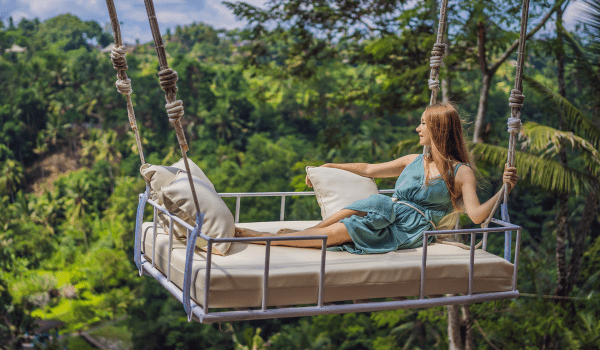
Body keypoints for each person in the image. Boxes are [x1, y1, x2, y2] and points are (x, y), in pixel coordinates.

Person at [235, 103, 518, 254]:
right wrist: (329, 165)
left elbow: (478, 216)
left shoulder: (461, 172)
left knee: (343, 231)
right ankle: (303, 232)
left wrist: (503, 189)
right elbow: (369, 168)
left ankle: (257, 237)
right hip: (389, 210)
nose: (418, 128)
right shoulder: (414, 160)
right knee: (368, 204)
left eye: (423, 123)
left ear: (438, 129)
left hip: (409, 227)